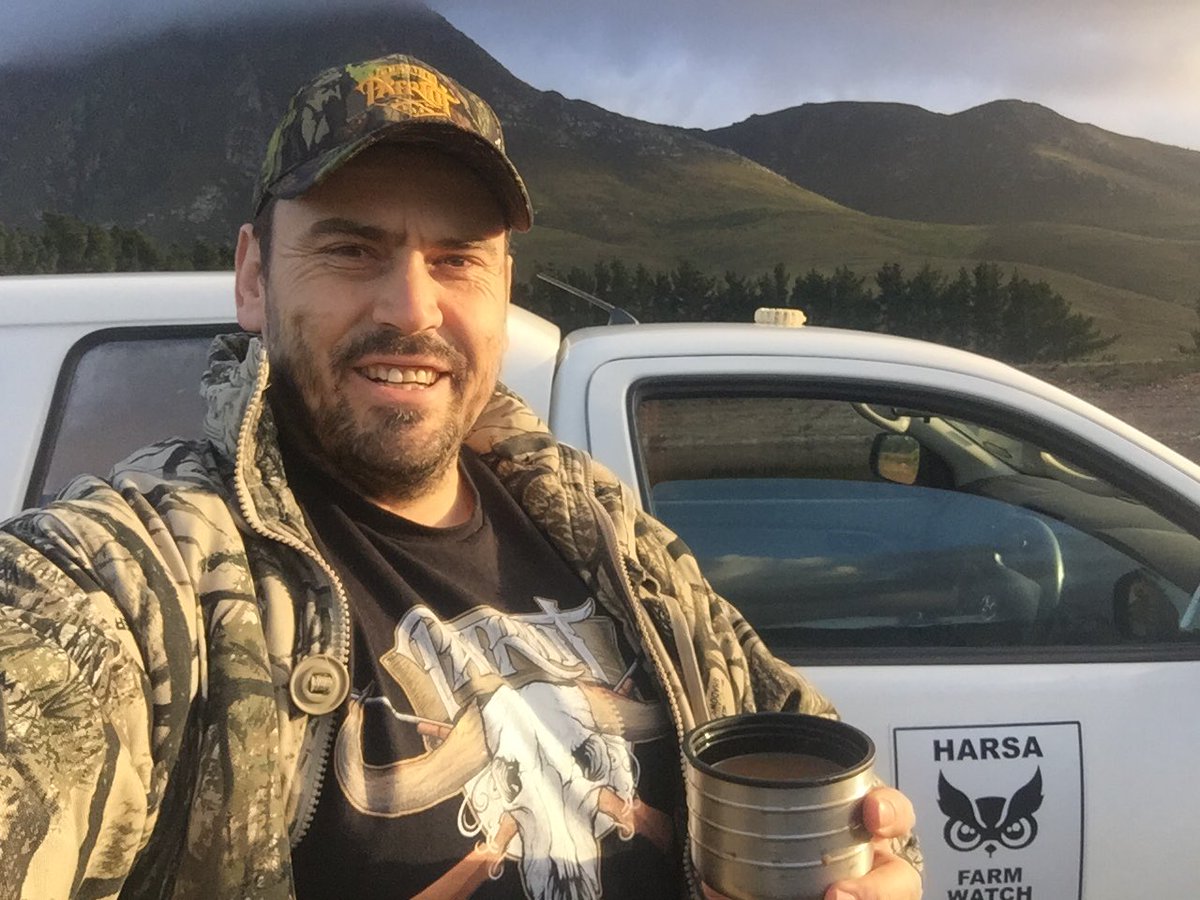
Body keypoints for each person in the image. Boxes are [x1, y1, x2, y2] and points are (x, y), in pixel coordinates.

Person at [0, 55, 921, 899]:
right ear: (253, 278)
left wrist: (877, 863)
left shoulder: (610, 536)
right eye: (351, 249)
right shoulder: (145, 576)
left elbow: (817, 764)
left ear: (503, 289)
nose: (412, 308)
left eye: (457, 261)